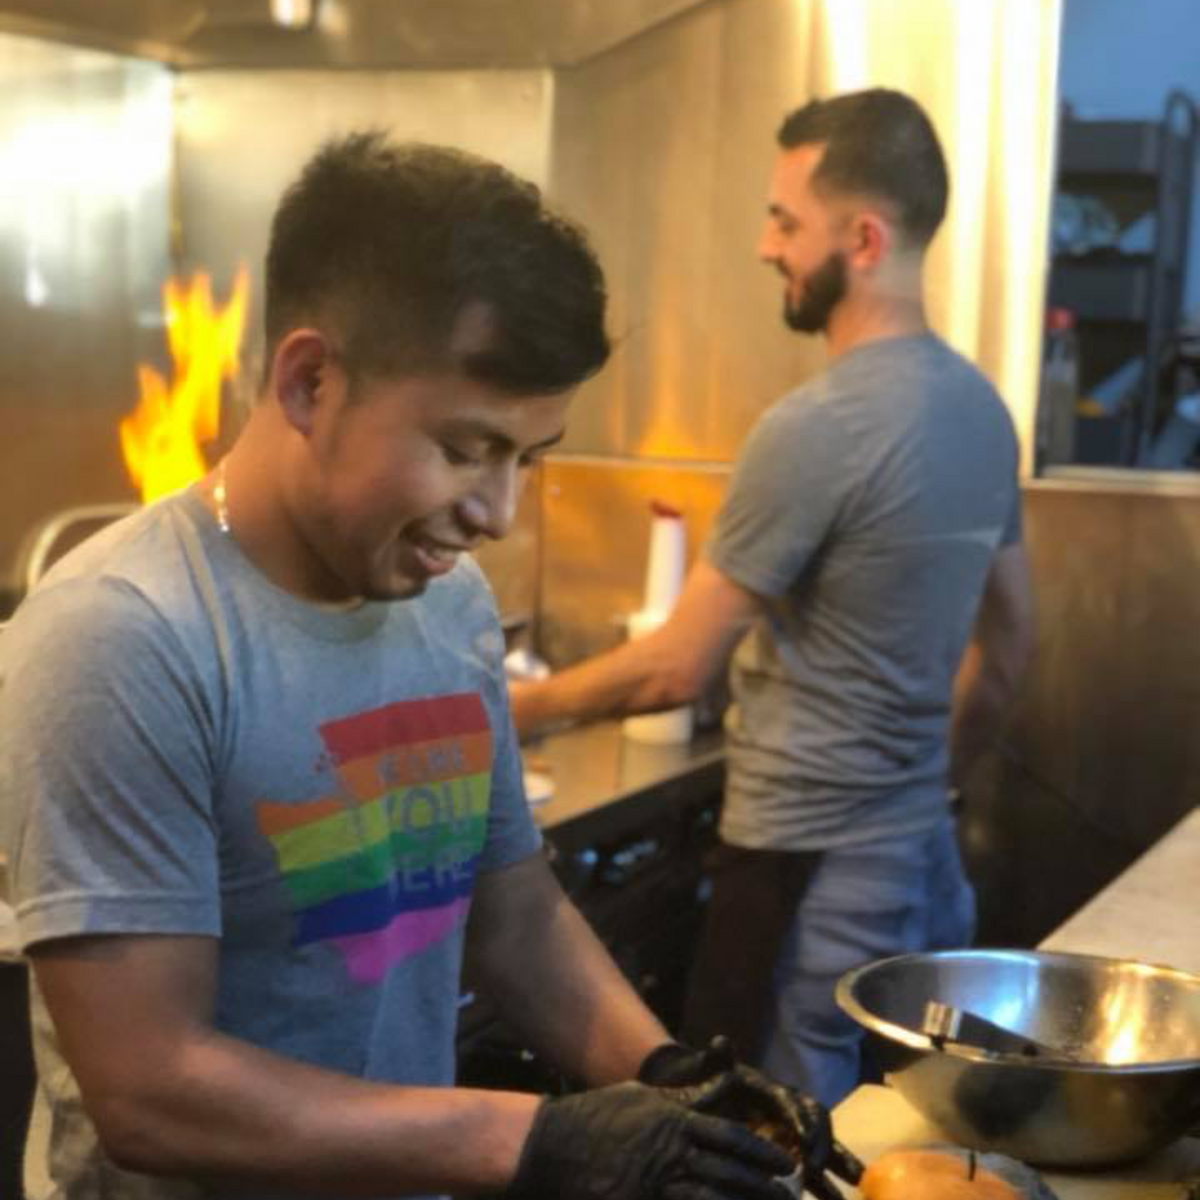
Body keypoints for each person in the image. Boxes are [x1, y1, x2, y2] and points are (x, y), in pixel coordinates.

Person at [0, 133, 860, 1200]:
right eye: (465, 449)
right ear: (311, 381)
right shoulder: (123, 637)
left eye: (527, 459)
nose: (498, 511)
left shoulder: (446, 604)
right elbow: (149, 1088)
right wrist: (529, 1142)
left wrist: (668, 1075)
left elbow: (514, 910)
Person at [510, 89, 1037, 1107]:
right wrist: (923, 785)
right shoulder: (981, 413)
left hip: (805, 872)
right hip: (921, 866)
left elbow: (673, 667)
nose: (764, 246)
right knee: (902, 1139)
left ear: (866, 236)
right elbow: (1010, 648)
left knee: (773, 1139)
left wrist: (504, 706)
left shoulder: (816, 427)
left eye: (786, 221)